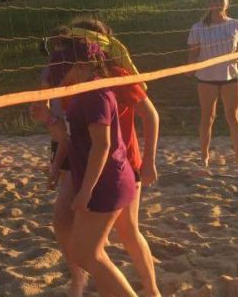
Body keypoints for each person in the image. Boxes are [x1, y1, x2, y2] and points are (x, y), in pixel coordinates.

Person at [36, 21, 161, 296]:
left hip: (119, 162)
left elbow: (150, 116)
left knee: (126, 232)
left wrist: (149, 160)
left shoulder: (113, 78)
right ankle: (80, 278)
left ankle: (151, 289)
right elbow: (69, 132)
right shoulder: (71, 82)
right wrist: (50, 127)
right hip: (86, 159)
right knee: (63, 221)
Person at [187, 0, 238, 167]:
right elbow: (193, 53)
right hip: (206, 77)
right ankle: (204, 158)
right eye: (214, 0)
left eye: (221, 0)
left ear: (227, 3)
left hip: (231, 75)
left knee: (233, 116)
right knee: (208, 117)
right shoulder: (198, 27)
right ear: (209, 4)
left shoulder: (236, 24)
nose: (218, 2)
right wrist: (189, 68)